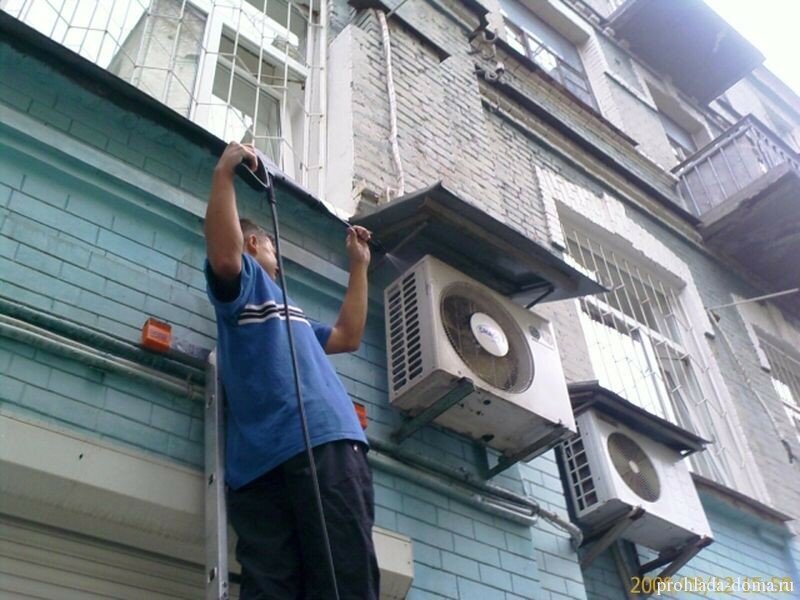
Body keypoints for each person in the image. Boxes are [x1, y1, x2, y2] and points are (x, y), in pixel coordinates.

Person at [204, 141, 380, 599]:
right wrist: (225, 172)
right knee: (292, 585)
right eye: (274, 251)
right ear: (254, 244)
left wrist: (358, 266)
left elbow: (346, 336)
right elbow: (225, 258)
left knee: (339, 581)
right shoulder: (246, 283)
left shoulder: (292, 316)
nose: (279, 265)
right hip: (277, 461)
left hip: (312, 445)